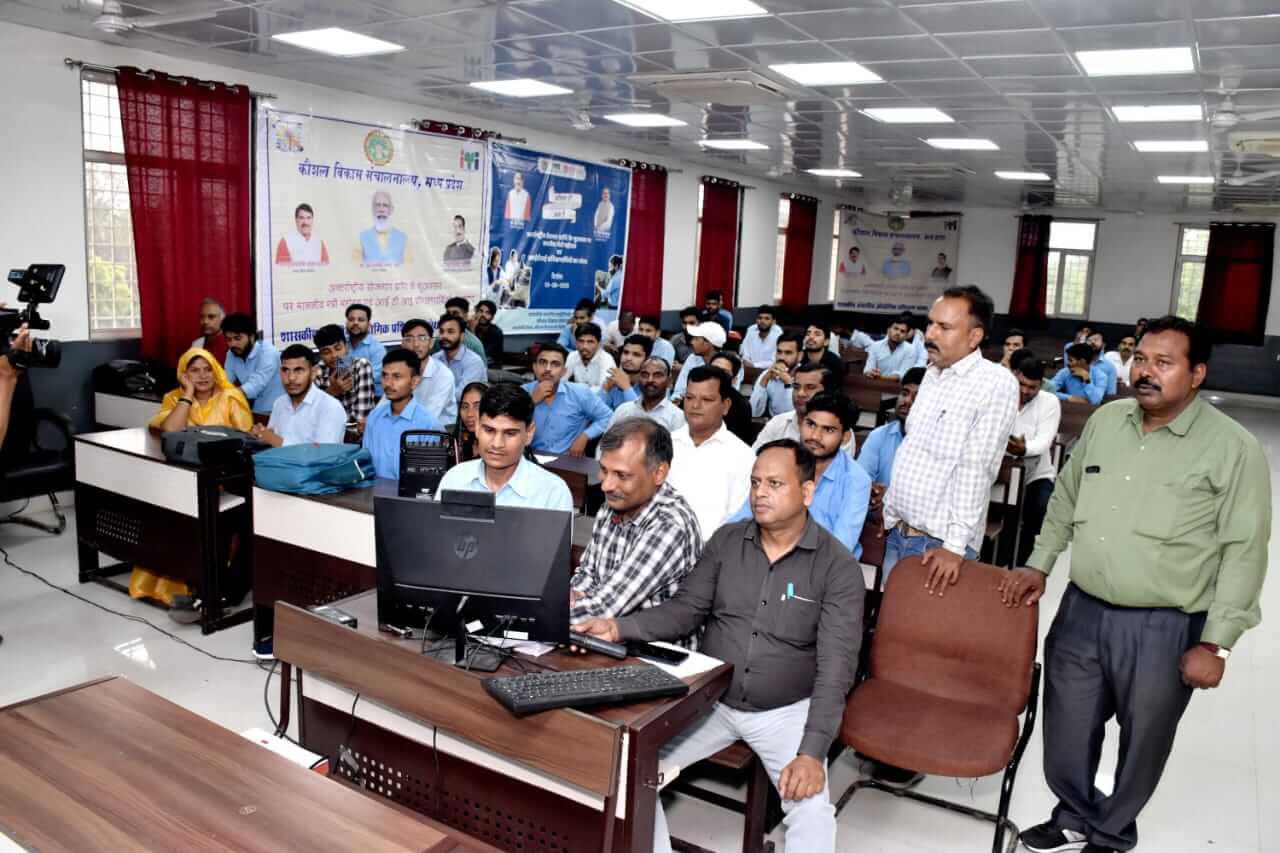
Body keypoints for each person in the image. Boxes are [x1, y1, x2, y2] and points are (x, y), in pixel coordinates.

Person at [1001, 316, 1271, 853]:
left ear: (1197, 373)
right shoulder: (1107, 421)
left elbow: (1244, 551)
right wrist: (1039, 562)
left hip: (1164, 624)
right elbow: (1067, 497)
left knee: (1144, 738)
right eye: (1142, 360)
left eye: (1163, 363)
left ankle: (1111, 832)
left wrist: (1216, 643)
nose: (1145, 372)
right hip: (1081, 610)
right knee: (1067, 725)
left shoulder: (1232, 449)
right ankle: (1073, 814)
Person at [574, 439, 864, 853]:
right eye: (755, 482)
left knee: (811, 810)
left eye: (775, 484)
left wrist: (813, 752)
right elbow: (685, 611)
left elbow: (836, 668)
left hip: (784, 711)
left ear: (807, 491)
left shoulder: (837, 567)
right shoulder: (727, 542)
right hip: (712, 700)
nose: (760, 493)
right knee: (628, 772)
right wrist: (619, 628)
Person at [882, 285, 1018, 584]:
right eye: (930, 323)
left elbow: (977, 469)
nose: (930, 334)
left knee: (923, 618)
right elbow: (914, 449)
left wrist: (954, 547)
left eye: (944, 327)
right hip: (899, 532)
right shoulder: (932, 374)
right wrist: (890, 512)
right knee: (891, 615)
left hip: (939, 547)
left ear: (974, 336)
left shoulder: (995, 383)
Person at [572, 419, 702, 621]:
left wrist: (543, 611)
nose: (606, 485)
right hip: (602, 628)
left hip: (650, 639)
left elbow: (605, 607)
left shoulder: (670, 525)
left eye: (621, 475)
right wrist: (573, 595)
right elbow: (588, 575)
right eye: (604, 470)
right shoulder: (614, 503)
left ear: (659, 473)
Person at [729, 392, 870, 557]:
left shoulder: (856, 480)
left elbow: (841, 546)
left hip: (822, 565)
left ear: (845, 436)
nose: (815, 436)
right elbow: (743, 517)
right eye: (810, 424)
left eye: (828, 430)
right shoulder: (780, 461)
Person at [436, 383, 572, 511]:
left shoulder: (553, 493)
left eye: (510, 433)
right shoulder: (455, 479)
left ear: (529, 433)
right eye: (489, 430)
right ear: (477, 428)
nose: (497, 444)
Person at [666, 366, 755, 540]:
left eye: (706, 399)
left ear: (725, 406)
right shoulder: (665, 444)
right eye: (689, 397)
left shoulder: (742, 456)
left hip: (713, 549)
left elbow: (738, 520)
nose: (695, 406)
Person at [996, 353, 1061, 568]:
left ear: (1041, 384)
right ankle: (996, 560)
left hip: (1036, 474)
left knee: (1038, 511)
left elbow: (1044, 441)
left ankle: (1022, 564)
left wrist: (1024, 449)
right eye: (1021, 384)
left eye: (1032, 387)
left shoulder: (1049, 402)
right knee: (999, 517)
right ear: (1014, 375)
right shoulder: (1000, 396)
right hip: (1000, 470)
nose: (1025, 391)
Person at [361, 349, 442, 480]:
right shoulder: (374, 418)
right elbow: (366, 466)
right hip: (373, 490)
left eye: (397, 377)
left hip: (411, 492)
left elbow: (430, 478)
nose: (388, 383)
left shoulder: (429, 425)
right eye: (385, 375)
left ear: (415, 382)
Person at [523, 343, 614, 456]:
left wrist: (585, 436)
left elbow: (607, 417)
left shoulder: (580, 393)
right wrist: (531, 402)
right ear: (534, 367)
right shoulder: (522, 392)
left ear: (564, 371)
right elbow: (507, 423)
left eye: (555, 364)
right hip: (530, 457)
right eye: (543, 362)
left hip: (567, 460)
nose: (547, 369)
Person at [253, 344, 347, 447]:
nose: (291, 378)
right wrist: (260, 435)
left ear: (313, 372)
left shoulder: (329, 407)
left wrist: (274, 440)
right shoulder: (279, 403)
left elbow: (322, 454)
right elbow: (269, 440)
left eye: (298, 370)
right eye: (285, 370)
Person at [855, 366, 923, 505]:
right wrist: (873, 492)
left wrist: (890, 497)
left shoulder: (938, 443)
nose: (907, 401)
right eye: (904, 393)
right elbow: (860, 481)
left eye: (917, 398)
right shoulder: (879, 435)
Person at [149, 347, 253, 434]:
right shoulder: (174, 398)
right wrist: (188, 393)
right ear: (184, 375)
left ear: (216, 373)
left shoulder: (231, 397)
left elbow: (246, 436)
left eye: (208, 369)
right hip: (186, 452)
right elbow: (171, 429)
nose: (203, 376)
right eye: (195, 370)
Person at [752, 362, 842, 450]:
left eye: (810, 387)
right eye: (796, 387)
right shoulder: (778, 422)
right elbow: (754, 456)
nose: (800, 393)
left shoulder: (838, 430)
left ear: (827, 392)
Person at [221, 313, 285, 416]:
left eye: (237, 338)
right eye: (229, 339)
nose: (232, 344)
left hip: (278, 412)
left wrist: (224, 397)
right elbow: (225, 382)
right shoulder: (231, 354)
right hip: (256, 412)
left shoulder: (268, 352)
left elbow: (254, 386)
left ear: (251, 337)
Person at [314, 323, 377, 426]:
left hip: (355, 432)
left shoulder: (361, 366)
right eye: (326, 352)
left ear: (346, 347)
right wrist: (330, 392)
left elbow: (360, 418)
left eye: (338, 348)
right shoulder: (317, 372)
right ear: (320, 355)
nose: (334, 355)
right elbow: (311, 415)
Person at [400, 319, 457, 424]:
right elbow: (383, 406)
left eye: (422, 338)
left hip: (435, 430)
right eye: (409, 339)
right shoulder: (400, 369)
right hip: (404, 425)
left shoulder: (443, 375)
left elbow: (426, 418)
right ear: (403, 344)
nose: (416, 344)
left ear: (431, 343)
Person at [608, 356, 686, 433]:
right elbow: (606, 440)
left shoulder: (677, 417)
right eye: (645, 375)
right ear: (639, 378)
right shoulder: (623, 411)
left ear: (669, 381)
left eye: (657, 375)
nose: (650, 380)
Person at [432, 314, 487, 403]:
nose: (444, 336)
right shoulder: (435, 358)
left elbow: (461, 395)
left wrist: (433, 395)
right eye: (441, 331)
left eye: (450, 332)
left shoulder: (474, 361)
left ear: (462, 336)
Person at [749, 331, 803, 418]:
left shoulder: (805, 376)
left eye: (788, 353)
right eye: (779, 352)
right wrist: (764, 380)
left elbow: (794, 416)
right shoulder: (768, 373)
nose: (781, 357)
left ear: (800, 356)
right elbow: (753, 412)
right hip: (773, 423)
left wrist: (789, 384)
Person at [671, 320, 725, 402]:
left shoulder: (728, 363)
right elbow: (679, 391)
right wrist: (677, 400)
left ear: (708, 343)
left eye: (696, 339)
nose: (692, 342)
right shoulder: (692, 358)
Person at [708, 352, 755, 444]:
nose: (716, 375)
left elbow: (738, 442)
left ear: (734, 380)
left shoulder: (741, 405)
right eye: (713, 369)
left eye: (724, 372)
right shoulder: (693, 394)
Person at [357, 190, 410, 265]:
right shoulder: (361, 237)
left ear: (391, 210)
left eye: (385, 205)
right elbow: (355, 267)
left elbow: (410, 267)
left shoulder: (403, 238)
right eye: (378, 205)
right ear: (372, 209)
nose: (381, 209)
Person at [345, 303, 387, 397]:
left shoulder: (377, 349)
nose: (355, 323)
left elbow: (372, 377)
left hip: (372, 397)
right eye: (351, 319)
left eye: (361, 320)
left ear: (369, 324)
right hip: (345, 395)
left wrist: (344, 381)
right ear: (346, 323)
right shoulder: (341, 345)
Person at [599, 334, 648, 410]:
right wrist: (605, 390)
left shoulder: (651, 384)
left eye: (636, 355)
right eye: (625, 352)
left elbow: (641, 414)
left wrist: (626, 388)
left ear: (646, 360)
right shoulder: (613, 381)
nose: (628, 358)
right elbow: (597, 412)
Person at [863, 313, 917, 379]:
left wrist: (881, 377)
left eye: (902, 331)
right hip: (874, 382)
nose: (898, 333)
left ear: (906, 335)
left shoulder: (910, 350)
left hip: (896, 385)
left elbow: (903, 375)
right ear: (888, 330)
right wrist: (870, 373)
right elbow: (868, 368)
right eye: (895, 329)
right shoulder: (875, 346)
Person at [565, 322, 617, 388]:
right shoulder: (572, 356)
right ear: (576, 342)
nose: (585, 346)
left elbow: (604, 389)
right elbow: (561, 380)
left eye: (590, 342)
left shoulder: (607, 359)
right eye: (581, 341)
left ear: (599, 344)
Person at [453, 381, 487, 462]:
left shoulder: (498, 446)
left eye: (477, 407)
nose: (469, 414)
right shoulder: (455, 443)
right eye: (465, 407)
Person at [192, 297, 227, 365]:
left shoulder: (232, 345)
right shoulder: (196, 344)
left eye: (211, 317)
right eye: (202, 317)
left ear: (222, 320)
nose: (205, 321)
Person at [472, 299, 505, 368]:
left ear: (492, 317)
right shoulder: (469, 327)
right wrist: (472, 328)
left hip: (491, 365)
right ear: (476, 313)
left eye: (488, 313)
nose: (483, 315)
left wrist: (472, 330)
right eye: (480, 311)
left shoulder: (496, 332)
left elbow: (481, 353)